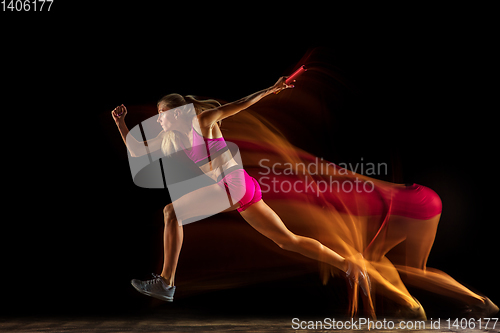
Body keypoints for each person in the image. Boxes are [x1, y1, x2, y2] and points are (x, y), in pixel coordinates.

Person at [112, 77, 372, 311]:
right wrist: (121, 123)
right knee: (287, 240)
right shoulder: (171, 138)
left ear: (178, 112)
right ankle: (350, 265)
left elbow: (240, 104)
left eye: (161, 113)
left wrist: (272, 89)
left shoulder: (201, 122)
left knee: (172, 212)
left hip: (232, 183)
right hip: (241, 188)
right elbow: (137, 151)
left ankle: (166, 283)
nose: (158, 119)